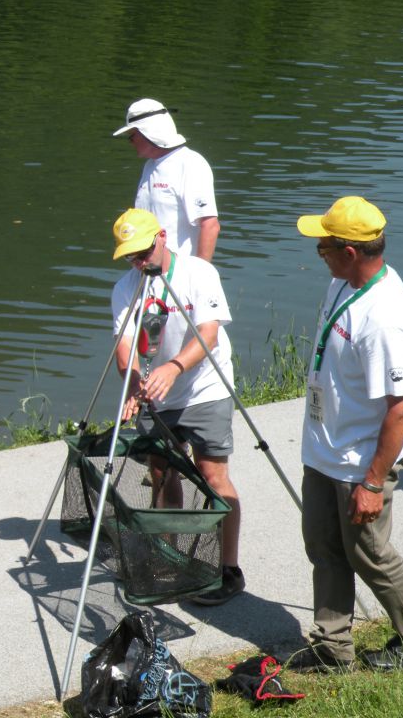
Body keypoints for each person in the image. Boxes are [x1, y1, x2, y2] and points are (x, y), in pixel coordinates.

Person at [289, 196, 403, 672]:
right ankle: (332, 648)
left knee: (369, 554)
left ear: (349, 251)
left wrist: (373, 482)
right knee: (323, 548)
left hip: (362, 462)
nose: (318, 251)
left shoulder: (386, 317)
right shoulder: (343, 282)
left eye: (323, 246)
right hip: (325, 450)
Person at [110, 208, 243, 605]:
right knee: (162, 471)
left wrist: (173, 367)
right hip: (156, 392)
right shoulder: (125, 287)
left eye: (144, 251)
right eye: (131, 255)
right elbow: (124, 348)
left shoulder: (199, 274)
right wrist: (133, 383)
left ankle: (228, 569)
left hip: (204, 388)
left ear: (163, 237)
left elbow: (209, 334)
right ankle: (166, 555)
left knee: (212, 474)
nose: (139, 261)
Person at [113, 98, 220, 261]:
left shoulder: (190, 163)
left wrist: (200, 275)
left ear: (147, 132)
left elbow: (210, 226)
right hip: (146, 271)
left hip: (178, 274)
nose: (130, 142)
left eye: (132, 136)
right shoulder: (149, 166)